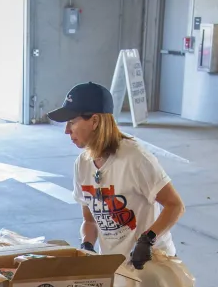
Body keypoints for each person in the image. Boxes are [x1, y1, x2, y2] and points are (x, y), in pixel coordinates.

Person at [47, 82, 185, 269]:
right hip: (117, 268)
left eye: (72, 122)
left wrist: (148, 239)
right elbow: (89, 220)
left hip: (153, 264)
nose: (66, 130)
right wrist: (87, 245)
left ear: (95, 121)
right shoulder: (83, 164)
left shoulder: (135, 158)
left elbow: (175, 205)